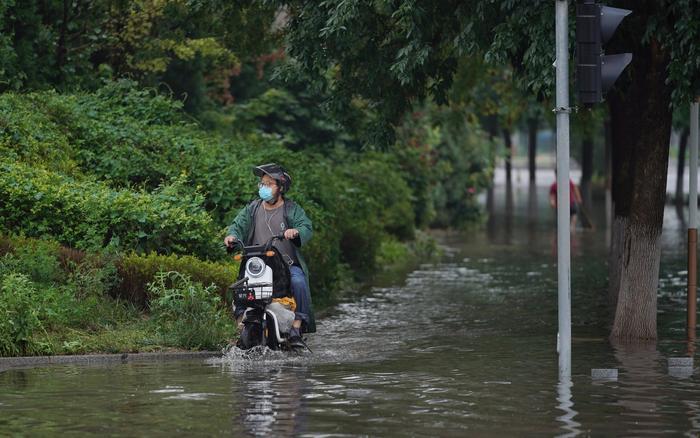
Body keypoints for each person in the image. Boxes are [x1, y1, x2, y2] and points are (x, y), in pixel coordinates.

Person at [224, 163, 314, 347]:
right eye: (261, 184)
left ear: (280, 187)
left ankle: (297, 326)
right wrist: (232, 236)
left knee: (299, 281)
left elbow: (306, 226)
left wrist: (295, 231)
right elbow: (237, 225)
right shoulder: (253, 208)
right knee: (239, 288)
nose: (263, 187)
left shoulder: (291, 209)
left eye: (268, 184)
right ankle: (241, 324)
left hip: (287, 266)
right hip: (258, 266)